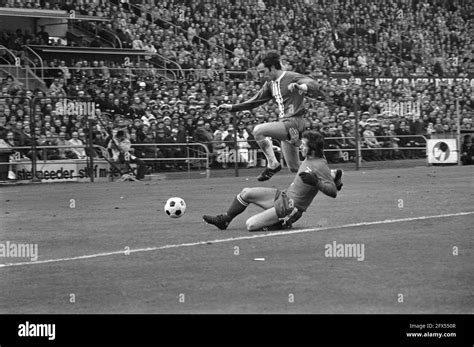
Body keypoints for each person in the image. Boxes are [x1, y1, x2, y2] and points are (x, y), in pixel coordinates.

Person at [217, 51, 329, 181]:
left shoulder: (291, 77)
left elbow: (313, 84)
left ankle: (273, 164)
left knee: (258, 131)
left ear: (273, 67)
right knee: (294, 167)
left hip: (294, 121)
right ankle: (330, 176)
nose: (261, 75)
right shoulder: (270, 84)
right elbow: (254, 101)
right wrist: (231, 107)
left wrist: (301, 86)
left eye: (263, 71)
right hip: (285, 124)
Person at [203, 130, 343, 232]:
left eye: (303, 145)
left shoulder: (320, 165)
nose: (301, 146)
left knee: (250, 225)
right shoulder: (312, 155)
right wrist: (295, 142)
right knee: (246, 192)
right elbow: (306, 147)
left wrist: (315, 182)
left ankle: (282, 223)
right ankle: (225, 220)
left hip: (291, 208)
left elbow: (333, 192)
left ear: (312, 150)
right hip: (284, 196)